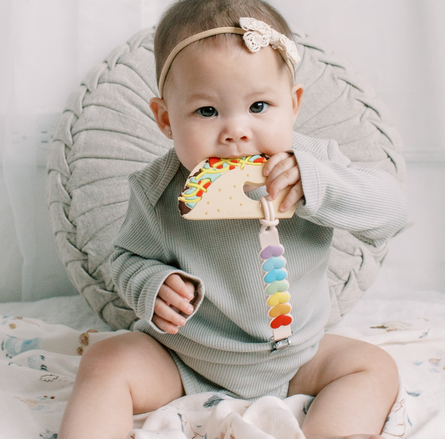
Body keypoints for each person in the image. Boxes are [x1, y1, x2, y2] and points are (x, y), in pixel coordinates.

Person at [58, 0, 408, 438]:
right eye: (207, 111)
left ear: (293, 105)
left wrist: (321, 187)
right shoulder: (157, 189)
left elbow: (391, 212)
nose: (236, 131)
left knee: (374, 367)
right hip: (185, 359)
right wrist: (152, 285)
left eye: (259, 106)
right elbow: (127, 258)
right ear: (166, 119)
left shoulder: (316, 165)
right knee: (106, 361)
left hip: (297, 357)